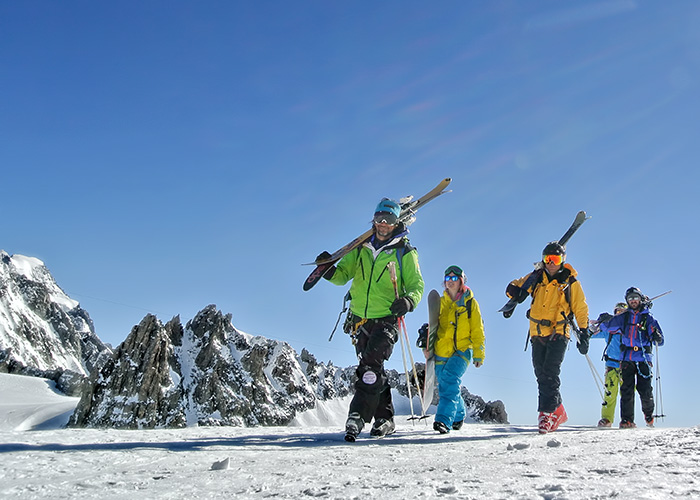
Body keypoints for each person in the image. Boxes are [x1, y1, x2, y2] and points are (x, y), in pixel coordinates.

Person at [318, 198, 424, 441]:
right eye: (379, 219)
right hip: (359, 319)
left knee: (369, 365)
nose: (383, 224)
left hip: (387, 317)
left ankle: (357, 416)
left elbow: (417, 285)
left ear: (397, 222)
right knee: (373, 368)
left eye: (388, 220)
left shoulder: (404, 251)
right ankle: (385, 420)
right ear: (373, 220)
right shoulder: (361, 248)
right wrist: (329, 271)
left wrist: (408, 301)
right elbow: (343, 275)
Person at [505, 241, 590, 434]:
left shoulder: (570, 281)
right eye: (547, 259)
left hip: (558, 331)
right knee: (540, 373)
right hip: (536, 332)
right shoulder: (536, 277)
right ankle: (558, 410)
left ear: (562, 260)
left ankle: (547, 414)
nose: (551, 263)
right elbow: (516, 285)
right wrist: (513, 290)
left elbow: (580, 307)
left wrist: (584, 332)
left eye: (556, 259)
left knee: (550, 373)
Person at [423, 265, 485, 434]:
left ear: (461, 281)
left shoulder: (470, 303)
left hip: (462, 350)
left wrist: (479, 354)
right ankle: (459, 414)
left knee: (449, 380)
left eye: (454, 278)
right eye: (447, 279)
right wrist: (427, 346)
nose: (450, 282)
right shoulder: (440, 303)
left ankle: (443, 420)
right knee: (446, 384)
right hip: (442, 350)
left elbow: (478, 330)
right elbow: (433, 328)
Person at [599, 287, 664, 428]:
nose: (633, 301)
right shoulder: (623, 317)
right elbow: (607, 326)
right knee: (626, 390)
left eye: (635, 298)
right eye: (630, 298)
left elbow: (661, 340)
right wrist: (602, 320)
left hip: (643, 359)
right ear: (627, 301)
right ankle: (627, 420)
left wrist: (657, 337)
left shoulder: (648, 318)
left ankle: (648, 415)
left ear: (640, 299)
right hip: (627, 358)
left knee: (644, 390)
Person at [589, 302, 628, 427]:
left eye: (623, 311)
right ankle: (607, 418)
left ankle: (627, 419)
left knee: (627, 394)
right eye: (617, 311)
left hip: (628, 365)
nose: (620, 313)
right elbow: (592, 333)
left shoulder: (630, 328)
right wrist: (596, 324)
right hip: (612, 364)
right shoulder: (609, 329)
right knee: (609, 393)